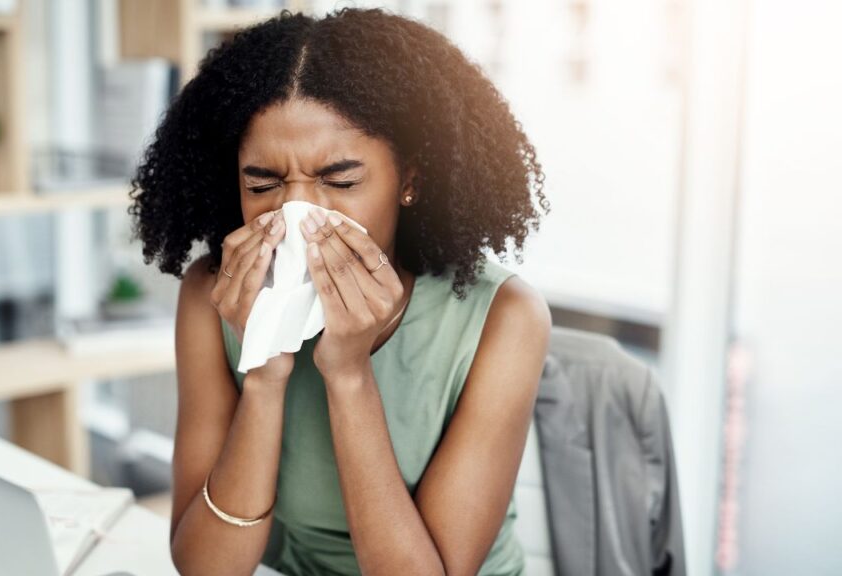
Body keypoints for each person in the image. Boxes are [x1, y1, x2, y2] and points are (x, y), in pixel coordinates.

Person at [129, 7, 552, 575]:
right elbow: (207, 569)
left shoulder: (507, 317)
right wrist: (263, 373)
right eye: (263, 183)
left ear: (410, 179)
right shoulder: (214, 295)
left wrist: (349, 374)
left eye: (340, 181)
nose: (300, 214)